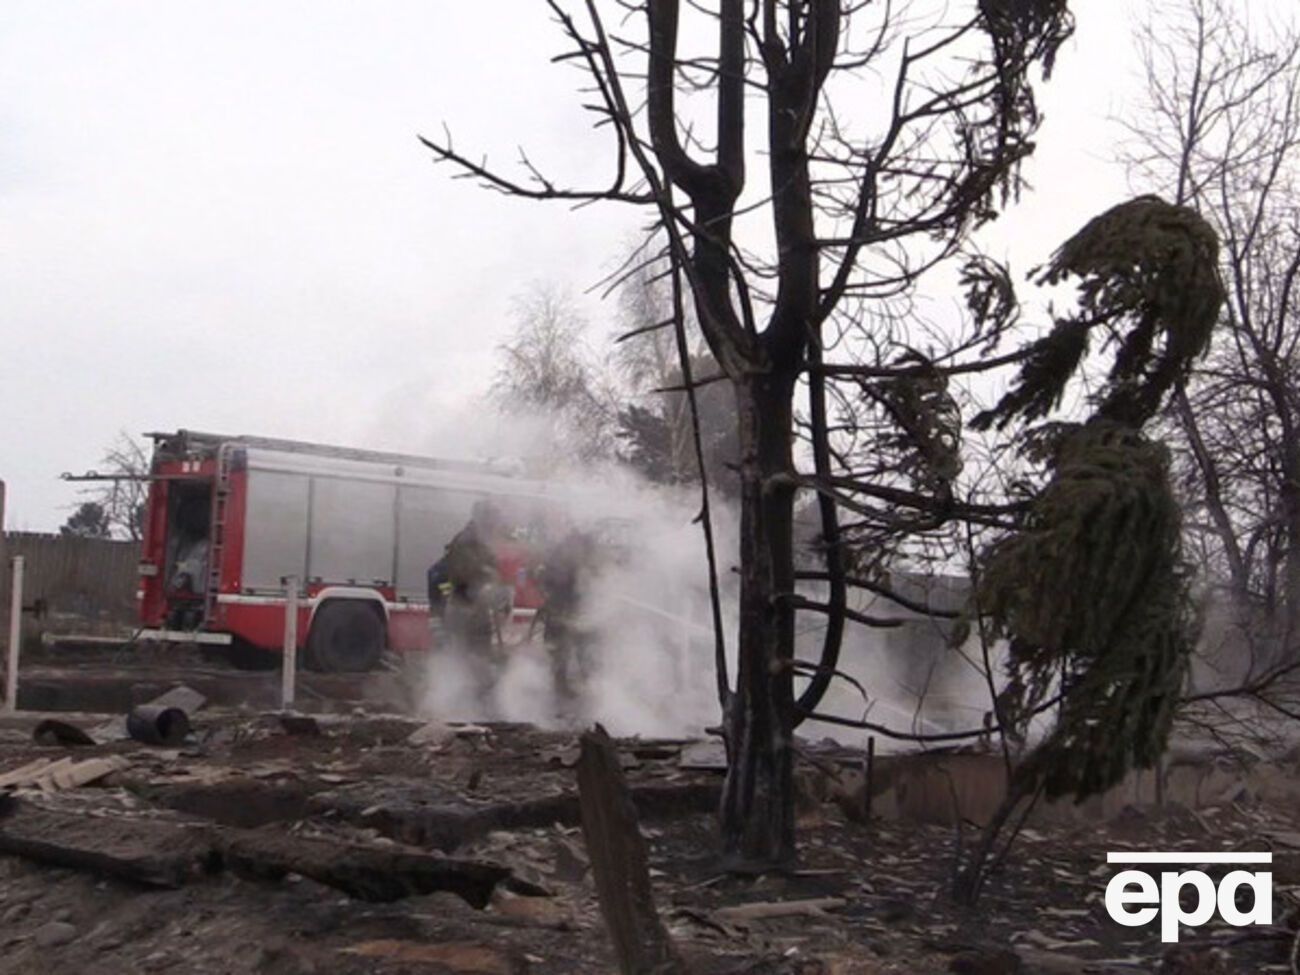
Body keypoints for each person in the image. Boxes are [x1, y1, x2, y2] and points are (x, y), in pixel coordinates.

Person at [441, 500, 508, 695]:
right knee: (466, 660)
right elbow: (465, 575)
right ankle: (464, 702)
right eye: (492, 520)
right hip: (464, 611)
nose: (495, 525)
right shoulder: (466, 542)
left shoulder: (480, 543)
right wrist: (486, 580)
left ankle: (477, 699)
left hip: (476, 611)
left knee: (478, 659)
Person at [537, 525, 598, 702]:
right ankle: (560, 689)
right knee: (561, 653)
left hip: (577, 613)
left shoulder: (578, 559)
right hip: (562, 611)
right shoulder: (561, 558)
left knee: (581, 652)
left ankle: (579, 688)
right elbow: (547, 582)